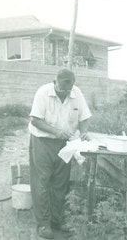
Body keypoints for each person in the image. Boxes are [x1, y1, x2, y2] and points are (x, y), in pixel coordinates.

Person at [28, 68, 91, 239]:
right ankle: (43, 225)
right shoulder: (43, 93)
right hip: (42, 142)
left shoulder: (76, 92)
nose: (66, 91)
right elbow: (35, 120)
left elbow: (84, 117)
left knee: (60, 184)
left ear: (73, 84)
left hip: (65, 145)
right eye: (62, 88)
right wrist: (56, 132)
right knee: (41, 182)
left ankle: (57, 222)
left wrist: (84, 131)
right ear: (55, 82)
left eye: (69, 88)